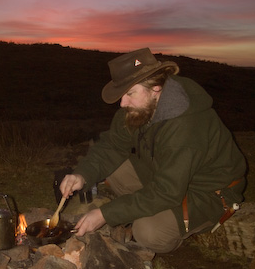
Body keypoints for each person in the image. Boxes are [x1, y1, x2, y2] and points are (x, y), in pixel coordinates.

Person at [59, 47, 246, 253]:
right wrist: (82, 175)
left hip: (207, 192)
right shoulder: (140, 106)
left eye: (130, 93)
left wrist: (105, 214)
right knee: (114, 169)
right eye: (122, 94)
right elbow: (112, 145)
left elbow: (167, 191)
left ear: (156, 88)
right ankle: (145, 207)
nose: (123, 103)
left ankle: (182, 227)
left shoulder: (186, 125)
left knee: (147, 231)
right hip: (166, 175)